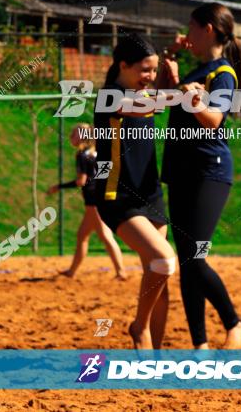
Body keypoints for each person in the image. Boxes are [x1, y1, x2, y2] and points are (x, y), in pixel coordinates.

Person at [158, 3, 241, 350]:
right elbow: (168, 99)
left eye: (190, 27)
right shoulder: (199, 70)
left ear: (207, 29)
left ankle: (234, 325)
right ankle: (200, 347)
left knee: (194, 258)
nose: (187, 33)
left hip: (209, 171)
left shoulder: (222, 73)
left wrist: (191, 96)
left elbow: (213, 120)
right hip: (181, 169)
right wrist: (173, 64)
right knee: (187, 261)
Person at [93, 33, 176, 350]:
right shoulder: (110, 97)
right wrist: (182, 93)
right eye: (145, 70)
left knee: (159, 279)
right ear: (123, 65)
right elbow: (144, 108)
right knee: (165, 261)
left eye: (154, 71)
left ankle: (154, 359)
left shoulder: (142, 94)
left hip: (151, 194)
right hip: (119, 198)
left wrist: (173, 78)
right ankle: (139, 328)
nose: (150, 77)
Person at [47, 124, 127, 280]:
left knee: (105, 235)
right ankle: (71, 272)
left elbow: (81, 181)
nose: (71, 136)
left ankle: (121, 271)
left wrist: (58, 186)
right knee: (82, 235)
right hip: (100, 198)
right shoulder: (97, 152)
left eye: (74, 133)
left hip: (93, 200)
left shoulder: (82, 154)